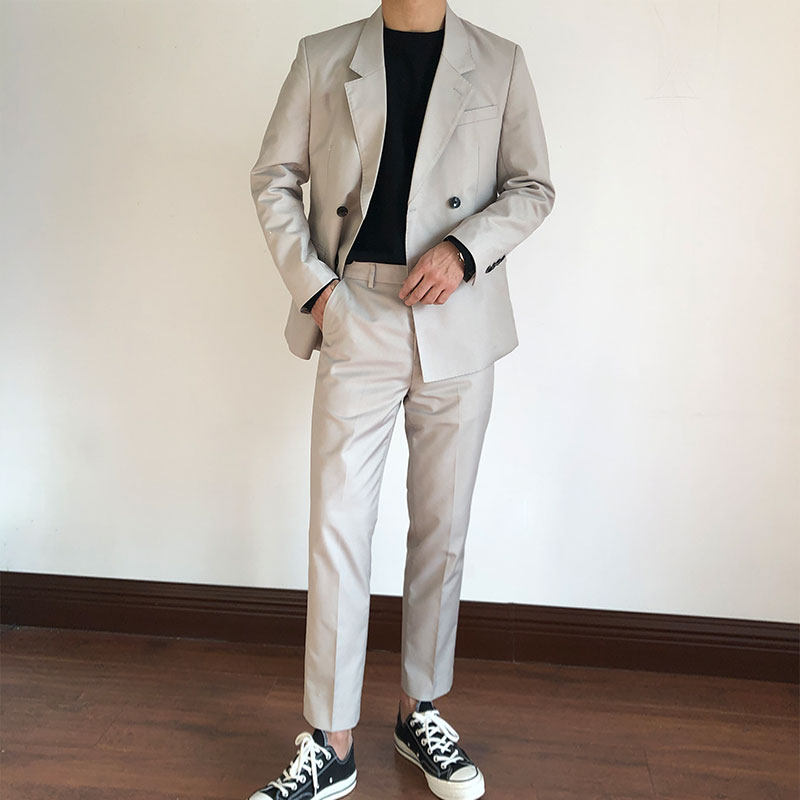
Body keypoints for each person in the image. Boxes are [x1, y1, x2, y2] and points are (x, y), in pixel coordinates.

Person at [248, 0, 555, 797]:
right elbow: (274, 178)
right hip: (356, 308)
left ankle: (420, 711)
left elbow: (532, 187)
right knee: (338, 527)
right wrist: (319, 292)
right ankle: (332, 739)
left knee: (442, 528)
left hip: (458, 315)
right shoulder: (323, 56)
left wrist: (464, 250)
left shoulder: (500, 61)